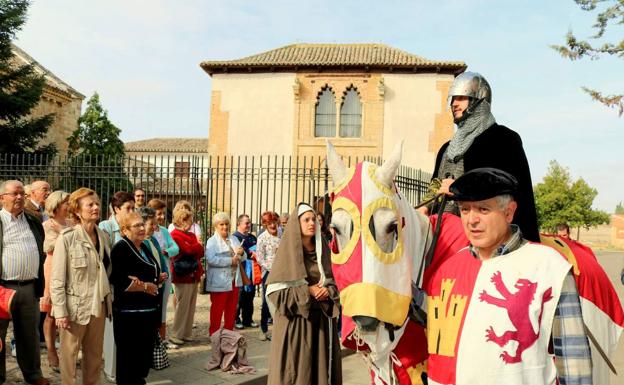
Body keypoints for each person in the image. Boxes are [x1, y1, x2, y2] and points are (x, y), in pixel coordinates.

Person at [425, 168, 591, 385]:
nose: (471, 220)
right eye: (465, 210)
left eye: (483, 209)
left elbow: (573, 360)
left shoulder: (548, 266)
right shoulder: (447, 269)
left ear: (509, 212)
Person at [427, 72, 539, 242]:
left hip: (485, 235)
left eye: (461, 98)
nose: (454, 104)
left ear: (478, 101)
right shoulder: (445, 149)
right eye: (453, 99)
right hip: (443, 233)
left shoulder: (504, 140)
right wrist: (425, 207)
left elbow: (507, 189)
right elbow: (435, 187)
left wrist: (459, 188)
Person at [266, 203, 341, 385]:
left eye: (313, 219)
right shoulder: (288, 255)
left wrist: (328, 290)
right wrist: (307, 290)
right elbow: (275, 292)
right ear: (296, 224)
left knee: (320, 372)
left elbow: (336, 283)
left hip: (321, 326)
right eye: (306, 220)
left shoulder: (323, 252)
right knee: (299, 373)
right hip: (296, 326)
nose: (311, 223)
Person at [51, 188, 112, 385]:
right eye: (90, 205)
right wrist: (60, 312)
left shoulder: (103, 236)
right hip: (74, 309)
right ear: (77, 210)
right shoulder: (67, 238)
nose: (96, 208)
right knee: (69, 358)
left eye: (97, 204)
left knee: (94, 357)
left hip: (99, 306)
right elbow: (57, 280)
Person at [0, 180, 49, 385]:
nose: (20, 197)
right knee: (0, 338)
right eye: (14, 194)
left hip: (29, 287)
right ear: (2, 198)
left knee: (29, 335)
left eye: (22, 194)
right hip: (2, 289)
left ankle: (33, 375)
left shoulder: (32, 219)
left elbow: (40, 247)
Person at [110, 211, 162, 385]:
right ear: (124, 230)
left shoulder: (144, 245)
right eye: (137, 225)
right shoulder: (121, 248)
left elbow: (146, 272)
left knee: (142, 358)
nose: (142, 228)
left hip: (148, 312)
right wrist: (146, 287)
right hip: (129, 314)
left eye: (142, 224)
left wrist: (155, 279)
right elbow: (120, 280)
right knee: (128, 359)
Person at [40, 190, 70, 370]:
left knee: (66, 312)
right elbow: (48, 246)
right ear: (56, 205)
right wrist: (65, 234)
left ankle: (66, 352)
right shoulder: (47, 225)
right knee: (51, 314)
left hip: (70, 269)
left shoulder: (72, 223)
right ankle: (51, 351)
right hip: (53, 269)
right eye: (66, 202)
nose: (69, 205)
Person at [204, 212, 247, 336]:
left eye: (226, 224)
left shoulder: (233, 238)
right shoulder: (212, 241)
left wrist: (241, 252)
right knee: (217, 308)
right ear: (216, 226)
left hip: (234, 279)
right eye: (221, 224)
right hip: (219, 280)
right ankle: (214, 333)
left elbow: (242, 258)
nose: (225, 227)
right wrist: (229, 261)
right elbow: (211, 259)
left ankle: (229, 333)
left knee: (231, 308)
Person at [147, 198, 179, 347]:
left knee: (163, 306)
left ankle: (163, 338)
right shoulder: (148, 233)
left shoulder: (165, 231)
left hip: (166, 272)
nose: (161, 217)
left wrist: (165, 251)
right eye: (158, 214)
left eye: (163, 214)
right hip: (152, 274)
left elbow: (175, 248)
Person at [169, 209, 204, 345]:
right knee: (182, 306)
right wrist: (195, 246)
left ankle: (186, 333)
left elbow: (199, 252)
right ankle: (176, 333)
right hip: (182, 275)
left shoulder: (191, 235)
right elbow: (187, 250)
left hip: (193, 274)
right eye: (189, 220)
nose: (191, 223)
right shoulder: (174, 235)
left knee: (191, 305)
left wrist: (194, 247)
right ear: (182, 220)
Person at [255, 211, 281, 341]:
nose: (272, 225)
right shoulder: (262, 238)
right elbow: (260, 258)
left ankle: (279, 329)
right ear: (265, 224)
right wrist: (272, 267)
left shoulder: (282, 233)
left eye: (274, 222)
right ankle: (263, 329)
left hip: (282, 271)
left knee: (281, 300)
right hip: (269, 273)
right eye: (269, 223)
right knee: (267, 301)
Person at [233, 214, 256, 329]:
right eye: (246, 223)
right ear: (239, 224)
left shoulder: (252, 237)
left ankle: (248, 319)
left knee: (250, 295)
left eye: (249, 223)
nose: (249, 225)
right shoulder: (235, 237)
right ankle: (236, 319)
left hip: (252, 270)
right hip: (240, 270)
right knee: (239, 295)